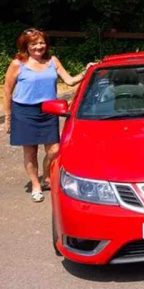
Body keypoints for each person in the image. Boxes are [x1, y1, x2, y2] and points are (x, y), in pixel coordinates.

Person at [3, 28, 93, 202]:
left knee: (54, 150)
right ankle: (36, 185)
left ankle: (46, 176)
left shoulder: (52, 61)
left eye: (41, 42)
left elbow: (69, 80)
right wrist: (8, 117)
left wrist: (86, 70)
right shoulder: (17, 63)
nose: (38, 46)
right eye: (34, 43)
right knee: (30, 152)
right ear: (26, 46)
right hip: (24, 111)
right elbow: (7, 90)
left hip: (48, 110)